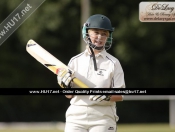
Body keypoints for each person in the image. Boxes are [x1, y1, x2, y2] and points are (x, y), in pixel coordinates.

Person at [57, 14, 125, 132]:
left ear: (108, 37)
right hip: (76, 118)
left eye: (104, 34)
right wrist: (64, 85)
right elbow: (69, 95)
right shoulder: (75, 61)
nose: (100, 37)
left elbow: (120, 95)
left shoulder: (113, 63)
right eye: (96, 32)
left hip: (103, 118)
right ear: (87, 33)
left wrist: (106, 95)